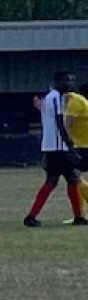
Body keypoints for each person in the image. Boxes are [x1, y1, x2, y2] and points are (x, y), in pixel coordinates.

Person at [23, 71, 85, 227]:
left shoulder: (49, 98)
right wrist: (69, 144)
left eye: (71, 81)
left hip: (50, 147)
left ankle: (77, 216)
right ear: (58, 82)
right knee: (67, 179)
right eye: (66, 81)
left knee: (63, 180)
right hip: (59, 148)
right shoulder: (56, 98)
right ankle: (31, 216)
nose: (69, 84)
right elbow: (59, 123)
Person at [64, 84, 88, 219]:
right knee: (73, 178)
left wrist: (65, 140)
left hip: (83, 146)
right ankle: (79, 215)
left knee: (74, 176)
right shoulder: (76, 100)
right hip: (81, 144)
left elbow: (68, 122)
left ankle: (79, 215)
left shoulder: (73, 100)